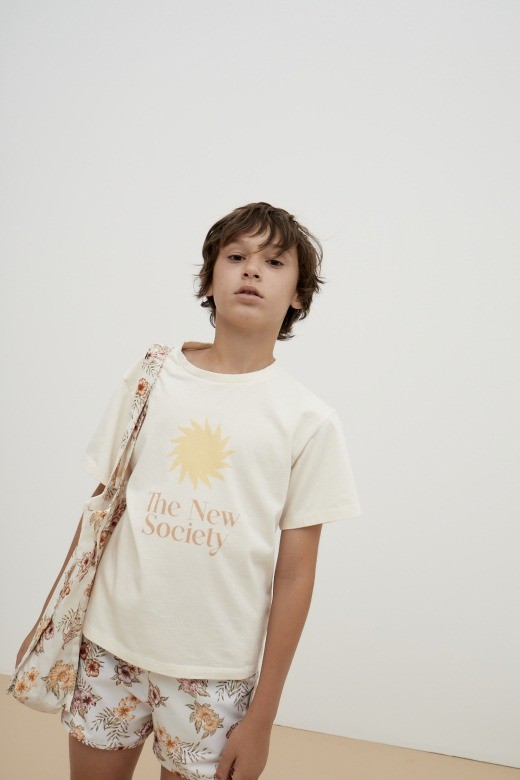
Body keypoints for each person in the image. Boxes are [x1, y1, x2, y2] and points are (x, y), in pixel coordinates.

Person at [18, 201, 362, 780]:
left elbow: (296, 573)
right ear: (208, 280)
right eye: (237, 256)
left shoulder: (308, 420)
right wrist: (53, 618)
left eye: (274, 262)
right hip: (108, 647)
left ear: (299, 295)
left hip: (215, 675)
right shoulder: (154, 376)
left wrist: (263, 717)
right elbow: (101, 507)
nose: (252, 270)